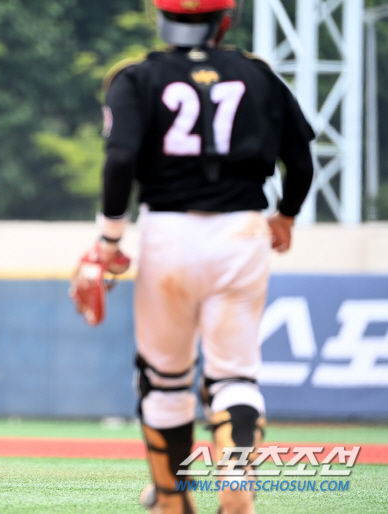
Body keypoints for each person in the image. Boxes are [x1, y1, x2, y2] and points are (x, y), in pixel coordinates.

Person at [85, 1, 314, 512]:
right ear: (224, 21)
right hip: (242, 230)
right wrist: (287, 215)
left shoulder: (135, 77)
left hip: (168, 231)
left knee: (164, 378)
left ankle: (173, 497)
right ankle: (236, 481)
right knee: (235, 375)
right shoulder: (258, 75)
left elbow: (120, 159)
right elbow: (300, 159)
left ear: (159, 19)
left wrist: (110, 240)